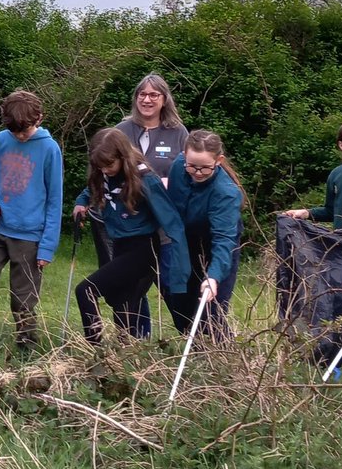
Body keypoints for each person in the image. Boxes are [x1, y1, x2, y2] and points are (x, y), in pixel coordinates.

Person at [0, 90, 63, 364]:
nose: (20, 135)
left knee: (22, 301)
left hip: (30, 237)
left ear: (39, 119)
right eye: (14, 130)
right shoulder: (0, 141)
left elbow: (55, 200)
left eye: (25, 130)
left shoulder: (49, 149)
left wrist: (47, 246)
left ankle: (25, 353)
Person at [72, 129, 190, 345]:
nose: (105, 171)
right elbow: (92, 188)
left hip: (143, 249)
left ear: (122, 158)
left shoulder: (146, 180)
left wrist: (181, 266)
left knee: (86, 290)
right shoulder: (104, 174)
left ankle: (95, 351)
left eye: (109, 165)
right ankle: (128, 354)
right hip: (120, 245)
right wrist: (82, 202)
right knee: (122, 305)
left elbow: (172, 222)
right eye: (100, 167)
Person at [166, 130, 245, 337]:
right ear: (184, 155)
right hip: (187, 245)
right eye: (192, 166)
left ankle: (226, 358)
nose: (197, 172)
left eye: (205, 168)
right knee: (180, 307)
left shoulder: (226, 192)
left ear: (219, 161)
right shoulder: (178, 167)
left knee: (210, 315)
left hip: (217, 248)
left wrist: (213, 277)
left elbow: (224, 240)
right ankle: (196, 353)